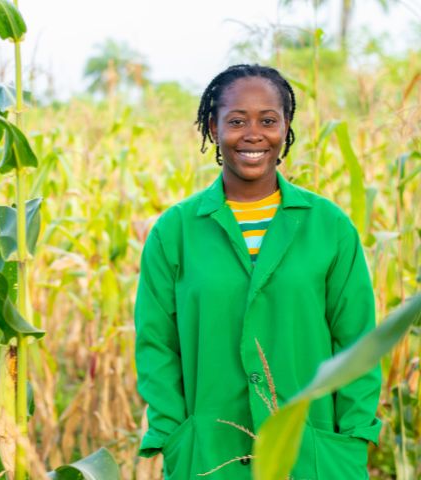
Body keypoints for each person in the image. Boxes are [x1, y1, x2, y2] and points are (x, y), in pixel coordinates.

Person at [134, 64, 381, 480]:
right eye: (236, 121)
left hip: (314, 456)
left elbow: (357, 343)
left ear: (286, 127)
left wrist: (353, 441)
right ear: (213, 128)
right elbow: (156, 346)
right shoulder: (174, 231)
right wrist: (176, 435)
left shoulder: (330, 227)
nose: (253, 134)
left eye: (268, 120)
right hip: (210, 457)